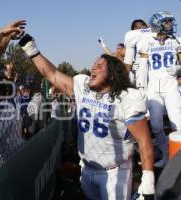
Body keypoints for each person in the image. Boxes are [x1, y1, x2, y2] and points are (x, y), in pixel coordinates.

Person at [18, 33, 154, 199]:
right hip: (87, 169)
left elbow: (144, 141)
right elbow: (52, 74)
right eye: (93, 65)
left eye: (99, 65)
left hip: (114, 172)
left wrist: (148, 180)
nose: (92, 68)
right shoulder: (84, 88)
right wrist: (31, 49)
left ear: (112, 74)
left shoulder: (126, 98)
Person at [138, 11, 181, 168]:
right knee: (156, 126)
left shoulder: (176, 41)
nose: (170, 25)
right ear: (158, 24)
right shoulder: (146, 42)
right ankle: (166, 156)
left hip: (170, 85)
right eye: (167, 22)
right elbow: (142, 68)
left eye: (170, 22)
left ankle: (178, 160)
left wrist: (179, 69)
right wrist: (141, 88)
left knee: (178, 123)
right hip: (153, 87)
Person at [124, 19, 155, 89]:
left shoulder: (132, 34)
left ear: (133, 29)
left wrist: (128, 70)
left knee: (142, 91)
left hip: (141, 63)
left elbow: (128, 58)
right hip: (156, 64)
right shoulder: (155, 30)